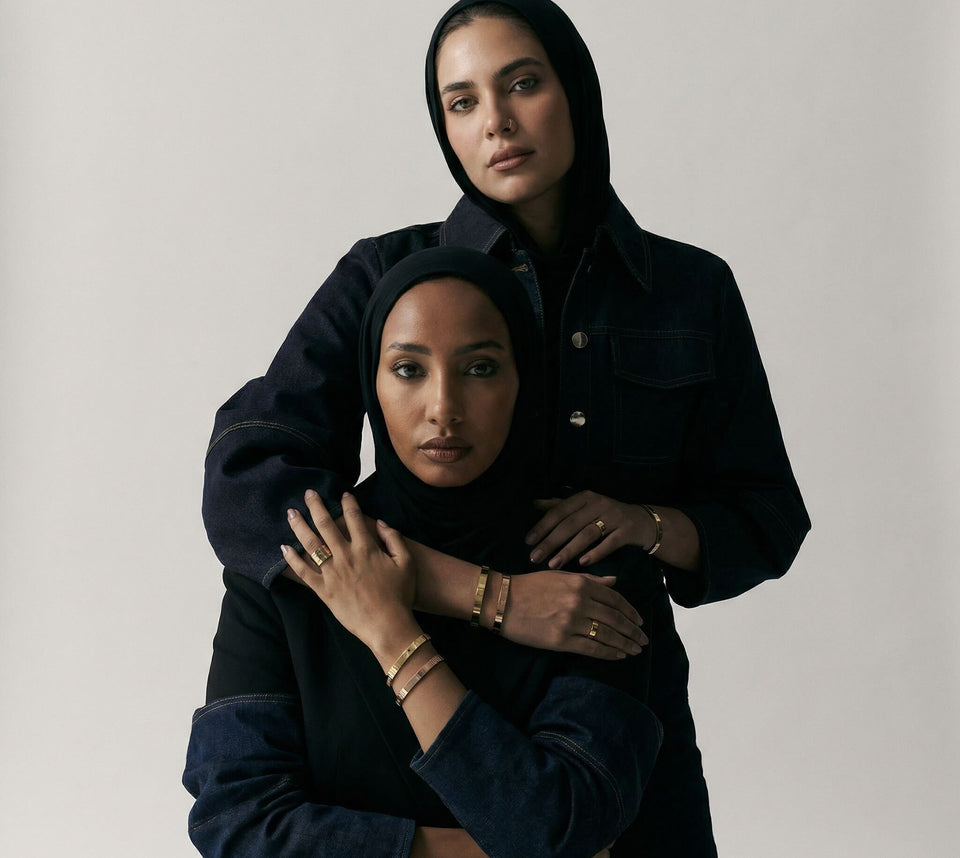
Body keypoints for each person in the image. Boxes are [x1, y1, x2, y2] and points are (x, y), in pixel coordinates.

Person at [200, 1, 811, 854]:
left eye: (522, 83)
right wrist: (481, 595)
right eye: (461, 102)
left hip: (605, 690)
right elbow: (248, 483)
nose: (497, 123)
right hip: (396, 675)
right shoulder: (390, 275)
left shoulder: (690, 290)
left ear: (577, 92)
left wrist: (648, 526)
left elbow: (769, 518)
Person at [184, 247, 665, 858]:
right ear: (370, 384)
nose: (444, 408)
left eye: (481, 369)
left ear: (527, 381)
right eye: (409, 370)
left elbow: (560, 824)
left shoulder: (598, 571)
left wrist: (390, 632)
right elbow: (236, 823)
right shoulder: (293, 562)